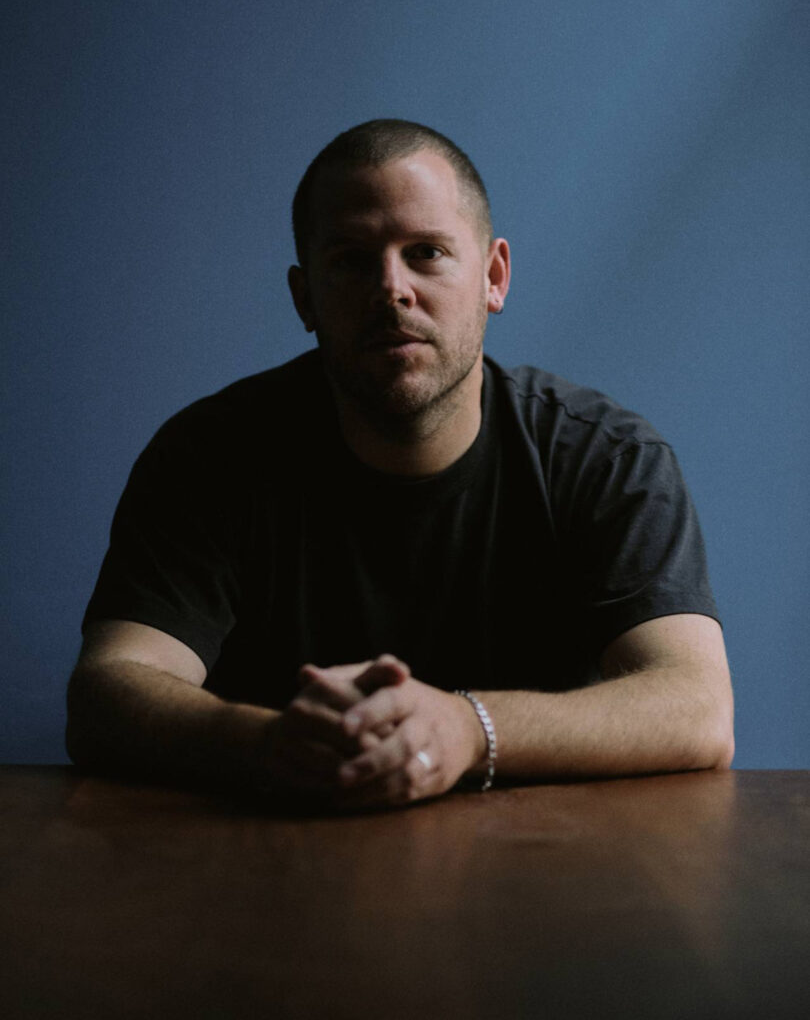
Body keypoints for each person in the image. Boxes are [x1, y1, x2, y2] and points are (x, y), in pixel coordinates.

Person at [66, 119, 734, 810]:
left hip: (541, 863)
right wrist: (266, 743)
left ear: (493, 276)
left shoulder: (605, 459)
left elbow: (697, 706)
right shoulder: (209, 456)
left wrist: (468, 729)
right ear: (305, 298)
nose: (392, 289)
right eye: (352, 260)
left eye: (426, 253)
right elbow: (106, 690)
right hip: (269, 851)